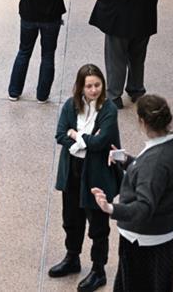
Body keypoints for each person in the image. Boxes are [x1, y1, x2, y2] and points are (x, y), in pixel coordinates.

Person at [92, 95, 173, 292]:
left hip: (142, 237)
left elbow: (144, 206)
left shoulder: (154, 163)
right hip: (166, 230)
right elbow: (155, 175)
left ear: (142, 122)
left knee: (133, 285)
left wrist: (110, 208)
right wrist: (127, 160)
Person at [49, 64, 121, 292]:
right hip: (72, 171)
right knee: (71, 218)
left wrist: (76, 135)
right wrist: (86, 139)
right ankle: (72, 258)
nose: (93, 90)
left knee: (98, 225)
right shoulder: (71, 105)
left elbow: (101, 143)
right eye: (89, 86)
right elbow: (60, 134)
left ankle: (98, 270)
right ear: (80, 87)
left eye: (97, 85)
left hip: (96, 174)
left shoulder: (109, 109)